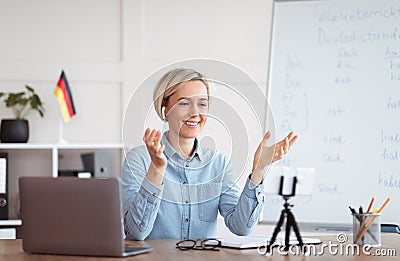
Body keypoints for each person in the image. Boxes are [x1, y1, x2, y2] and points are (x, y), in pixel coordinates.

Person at [121, 68, 298, 240]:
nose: (195, 112)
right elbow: (136, 233)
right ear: (165, 108)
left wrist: (258, 171)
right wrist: (157, 169)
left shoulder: (218, 163)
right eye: (184, 103)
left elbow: (241, 227)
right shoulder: (139, 159)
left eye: (202, 104)